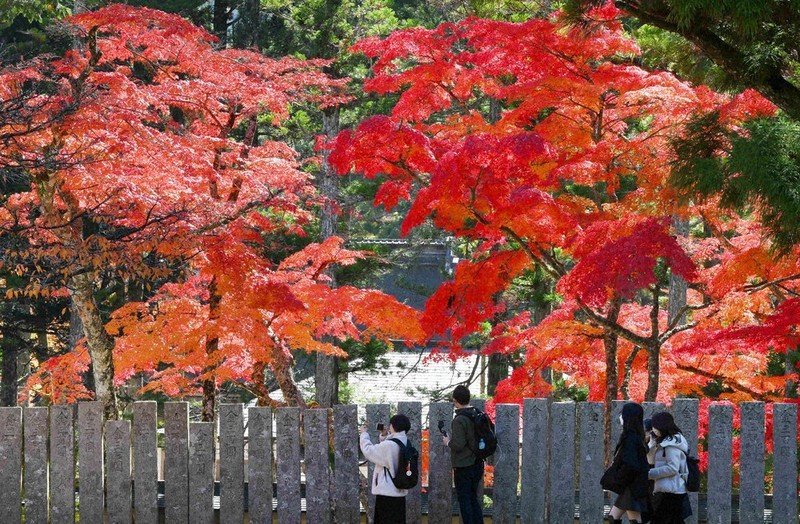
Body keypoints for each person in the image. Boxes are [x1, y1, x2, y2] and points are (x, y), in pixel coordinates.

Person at [442, 385, 484, 524]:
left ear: (455, 400)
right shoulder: (476, 413)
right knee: (473, 499)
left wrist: (448, 442)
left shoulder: (460, 419)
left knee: (465, 501)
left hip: (464, 466)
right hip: (478, 463)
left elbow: (458, 445)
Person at [360, 413, 411, 524]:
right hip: (399, 491)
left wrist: (364, 434)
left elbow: (369, 451)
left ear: (393, 426)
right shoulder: (406, 442)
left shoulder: (389, 445)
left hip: (387, 493)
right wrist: (384, 435)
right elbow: (388, 454)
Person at [608, 402, 651, 524]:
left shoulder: (630, 438)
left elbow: (631, 464)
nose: (620, 416)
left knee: (633, 520)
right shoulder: (636, 436)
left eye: (623, 413)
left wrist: (618, 478)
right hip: (633, 484)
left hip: (632, 485)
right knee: (614, 517)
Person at [647, 411, 691, 524]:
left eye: (655, 426)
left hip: (672, 490)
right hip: (668, 489)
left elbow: (673, 468)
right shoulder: (664, 441)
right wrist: (651, 446)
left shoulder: (672, 444)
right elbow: (651, 461)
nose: (653, 429)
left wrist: (650, 474)